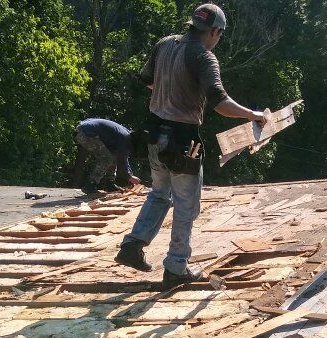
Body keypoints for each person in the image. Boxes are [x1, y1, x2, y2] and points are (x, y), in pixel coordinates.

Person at [114, 3, 268, 287]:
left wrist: (170, 87)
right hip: (183, 141)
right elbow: (220, 104)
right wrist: (253, 115)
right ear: (214, 31)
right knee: (186, 205)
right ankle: (176, 267)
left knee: (159, 193)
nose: (218, 41)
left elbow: (147, 80)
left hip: (153, 133)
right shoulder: (203, 57)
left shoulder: (164, 45)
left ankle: (133, 245)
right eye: (219, 35)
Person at [72, 118, 142, 194]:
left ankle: (109, 183)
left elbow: (122, 158)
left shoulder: (126, 136)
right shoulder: (125, 140)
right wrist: (129, 177)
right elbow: (122, 161)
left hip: (85, 129)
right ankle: (90, 185)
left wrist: (130, 175)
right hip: (84, 133)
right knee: (106, 159)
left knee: (113, 156)